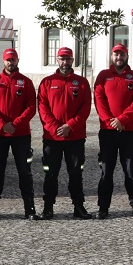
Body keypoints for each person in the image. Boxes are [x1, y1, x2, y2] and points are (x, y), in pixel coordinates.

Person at [37, 46, 93, 220]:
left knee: (76, 173)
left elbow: (85, 108)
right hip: (52, 138)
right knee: (50, 173)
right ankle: (48, 208)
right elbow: (42, 108)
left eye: (68, 59)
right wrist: (55, 128)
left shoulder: (82, 82)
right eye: (62, 58)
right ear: (57, 59)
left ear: (72, 61)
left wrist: (70, 125)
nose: (65, 62)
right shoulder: (46, 82)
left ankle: (79, 207)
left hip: (75, 137)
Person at [0, 47, 39, 220]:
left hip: (20, 135)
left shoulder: (26, 82)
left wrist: (15, 124)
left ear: (17, 61)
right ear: (3, 61)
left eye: (13, 59)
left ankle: (29, 209)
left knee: (25, 172)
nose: (10, 62)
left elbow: (31, 107)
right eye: (8, 59)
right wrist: (2, 125)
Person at [93, 44, 133, 219]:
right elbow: (99, 100)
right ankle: (103, 207)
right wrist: (111, 121)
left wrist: (122, 120)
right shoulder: (103, 76)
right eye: (116, 55)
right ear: (111, 56)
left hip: (128, 131)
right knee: (106, 171)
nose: (119, 58)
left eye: (122, 54)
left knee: (130, 169)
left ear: (127, 55)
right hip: (107, 132)